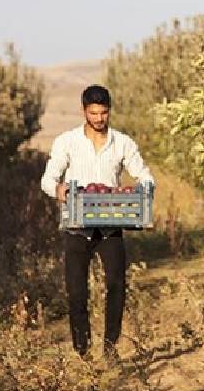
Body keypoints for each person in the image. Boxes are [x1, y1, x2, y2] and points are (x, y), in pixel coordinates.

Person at [41, 84, 154, 359]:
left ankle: (111, 348)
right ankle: (83, 350)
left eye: (104, 113)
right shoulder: (67, 141)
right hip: (76, 226)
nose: (99, 119)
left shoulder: (122, 142)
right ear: (84, 111)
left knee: (116, 285)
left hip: (110, 225)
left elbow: (145, 175)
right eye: (94, 113)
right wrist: (58, 190)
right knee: (77, 292)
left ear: (109, 111)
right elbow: (48, 178)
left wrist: (143, 191)